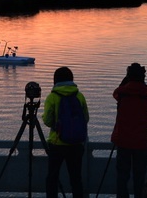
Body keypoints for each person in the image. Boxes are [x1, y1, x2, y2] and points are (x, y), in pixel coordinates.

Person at [111, 63, 147, 198]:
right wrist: (144, 86)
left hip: (123, 140)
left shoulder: (122, 92)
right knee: (140, 176)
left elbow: (115, 93)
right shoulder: (146, 93)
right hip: (141, 141)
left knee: (122, 176)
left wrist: (125, 82)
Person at [43, 66, 89, 198]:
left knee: (52, 178)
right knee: (76, 179)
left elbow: (47, 120)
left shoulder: (52, 97)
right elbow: (85, 118)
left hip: (57, 144)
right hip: (76, 144)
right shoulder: (79, 96)